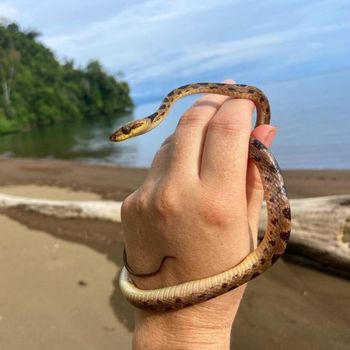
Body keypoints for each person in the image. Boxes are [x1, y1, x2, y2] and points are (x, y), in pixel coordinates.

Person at [121, 80, 277, 349]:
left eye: (125, 131)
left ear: (139, 125)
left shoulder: (169, 103)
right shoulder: (172, 100)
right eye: (124, 132)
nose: (121, 135)